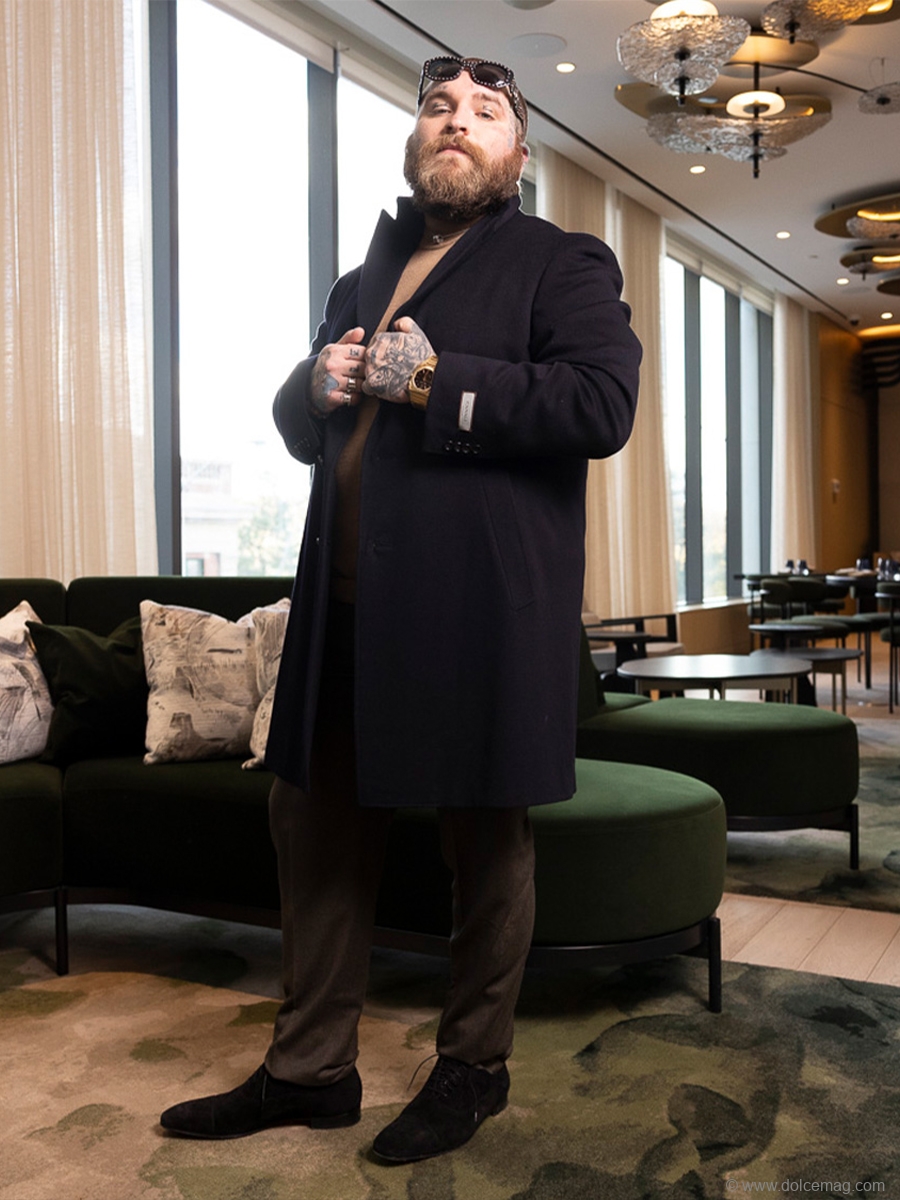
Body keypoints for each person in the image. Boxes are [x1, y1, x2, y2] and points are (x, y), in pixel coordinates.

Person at [160, 54, 642, 1163]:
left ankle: (473, 1068)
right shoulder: (359, 279)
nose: (455, 123)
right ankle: (310, 1072)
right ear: (415, 139)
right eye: (437, 108)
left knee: (487, 841)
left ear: (518, 150)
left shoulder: (561, 260)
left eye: (484, 111)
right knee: (313, 826)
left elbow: (601, 402)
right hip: (344, 611)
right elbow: (313, 427)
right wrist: (307, 387)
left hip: (478, 612)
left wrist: (433, 380)